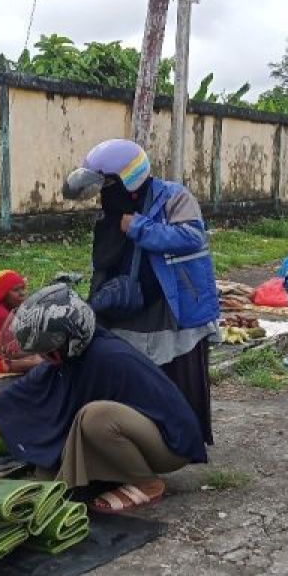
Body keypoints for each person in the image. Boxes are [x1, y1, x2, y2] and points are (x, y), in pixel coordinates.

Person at [0, 285, 207, 513]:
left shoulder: (107, 357)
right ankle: (120, 474)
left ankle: (147, 483)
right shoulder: (78, 354)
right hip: (143, 437)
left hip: (170, 447)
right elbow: (31, 384)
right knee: (54, 461)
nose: (42, 358)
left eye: (46, 351)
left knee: (95, 417)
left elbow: (78, 418)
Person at [61, 138, 220, 444]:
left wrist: (139, 227)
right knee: (125, 368)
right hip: (122, 302)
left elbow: (192, 237)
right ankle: (137, 438)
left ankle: (181, 440)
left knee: (176, 371)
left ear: (129, 177)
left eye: (109, 182)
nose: (105, 190)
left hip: (169, 303)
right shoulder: (115, 202)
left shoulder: (175, 196)